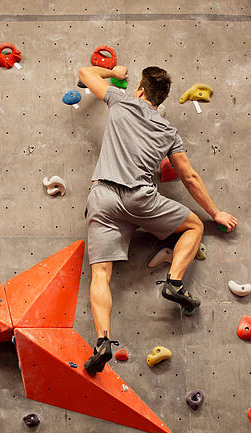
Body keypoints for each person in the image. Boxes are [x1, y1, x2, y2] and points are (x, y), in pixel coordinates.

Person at [77, 65, 238, 375]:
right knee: (195, 225)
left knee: (101, 276)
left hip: (104, 197)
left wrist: (112, 71)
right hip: (141, 199)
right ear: (161, 99)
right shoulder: (168, 131)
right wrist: (215, 213)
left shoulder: (120, 100)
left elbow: (84, 72)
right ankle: (174, 282)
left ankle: (102, 341)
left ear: (139, 89)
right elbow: (188, 177)